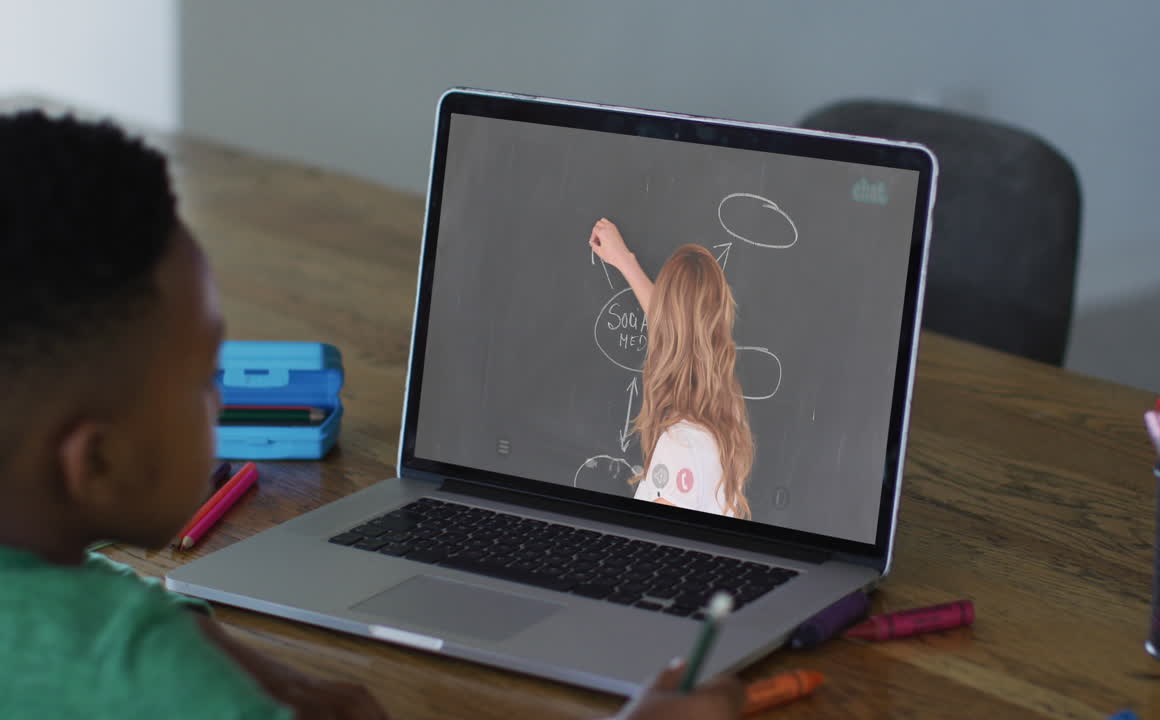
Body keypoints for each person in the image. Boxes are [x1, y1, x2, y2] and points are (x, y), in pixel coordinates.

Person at [0, 111, 742, 720]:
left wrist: (206, 642)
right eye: (203, 379)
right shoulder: (148, 676)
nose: (221, 401)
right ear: (95, 461)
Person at [589, 219, 755, 520]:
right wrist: (626, 264)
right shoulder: (726, 417)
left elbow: (652, 549)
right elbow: (681, 333)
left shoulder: (678, 447)